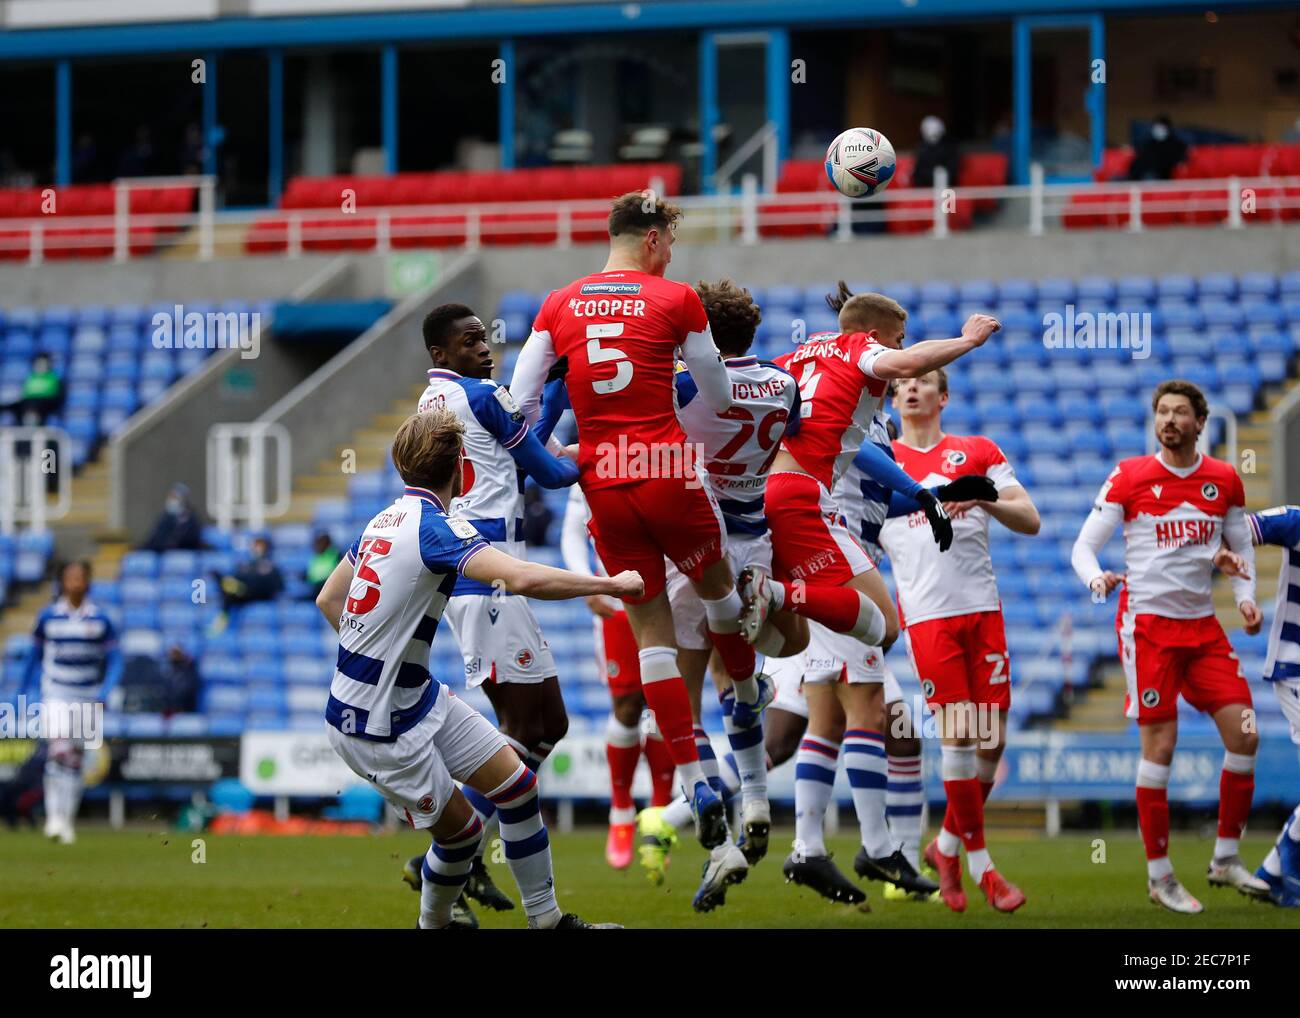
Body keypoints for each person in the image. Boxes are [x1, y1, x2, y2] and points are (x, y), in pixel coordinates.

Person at [510, 191, 766, 852]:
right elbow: (718, 393)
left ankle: (691, 777)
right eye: (670, 244)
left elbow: (521, 399)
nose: (672, 256)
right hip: (666, 470)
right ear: (652, 240)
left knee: (649, 628)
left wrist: (552, 453)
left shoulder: (558, 302)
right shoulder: (676, 298)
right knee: (719, 591)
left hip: (602, 482)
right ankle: (745, 687)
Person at [315, 409, 635, 929]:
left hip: (415, 700)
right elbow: (522, 579)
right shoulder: (436, 530)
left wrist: (381, 659)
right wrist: (611, 584)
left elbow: (330, 597)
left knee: (517, 786)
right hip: (376, 726)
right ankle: (433, 925)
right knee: (461, 836)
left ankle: (548, 922)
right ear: (463, 470)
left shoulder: (384, 518)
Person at [636, 278, 806, 910]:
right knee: (740, 685)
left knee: (682, 701)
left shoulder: (681, 387)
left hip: (695, 544)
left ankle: (712, 831)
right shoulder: (784, 385)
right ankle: (758, 804)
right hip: (754, 537)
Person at [1071, 379, 1267, 914]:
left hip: (1203, 630)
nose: (1170, 420)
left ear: (1200, 423)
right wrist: (1095, 581)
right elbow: (1084, 548)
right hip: (1148, 630)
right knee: (1159, 750)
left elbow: (1240, 549)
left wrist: (1246, 601)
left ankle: (1225, 858)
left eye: (1181, 412)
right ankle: (1159, 876)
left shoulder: (1223, 479)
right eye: (1162, 412)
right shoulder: (1130, 476)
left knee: (1246, 734)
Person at [414, 301, 582, 912]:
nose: (484, 348)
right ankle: (447, 862)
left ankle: (462, 849)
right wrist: (611, 454)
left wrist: (555, 398)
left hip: (481, 575)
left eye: (483, 338)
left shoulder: (431, 404)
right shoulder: (483, 395)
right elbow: (548, 472)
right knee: (516, 731)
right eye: (469, 340)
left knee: (550, 725)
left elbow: (518, 456)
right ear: (441, 352)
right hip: (489, 578)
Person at [879, 369, 1039, 914]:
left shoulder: (977, 450)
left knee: (991, 741)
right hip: (929, 618)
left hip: (983, 611)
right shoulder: (880, 460)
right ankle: (983, 868)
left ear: (943, 397)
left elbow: (1031, 519)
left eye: (925, 381)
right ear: (894, 396)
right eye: (905, 383)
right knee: (960, 737)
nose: (913, 387)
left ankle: (944, 846)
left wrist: (986, 499)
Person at [560, 483, 677, 870]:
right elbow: (572, 532)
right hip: (616, 600)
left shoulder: (664, 447)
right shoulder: (592, 456)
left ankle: (659, 815)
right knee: (628, 704)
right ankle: (621, 813)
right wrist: (585, 582)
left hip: (669, 593)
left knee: (665, 702)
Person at [1214, 506, 1300, 908]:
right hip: (1296, 666)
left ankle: (1273, 873)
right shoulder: (1296, 520)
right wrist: (1240, 587)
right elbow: (1241, 529)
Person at [20, 560, 122, 845]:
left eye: (80, 577)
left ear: (88, 581)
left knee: (75, 760)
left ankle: (66, 820)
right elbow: (33, 657)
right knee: (58, 751)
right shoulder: (48, 617)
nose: (76, 582)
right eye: (70, 577)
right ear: (62, 582)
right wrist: (25, 691)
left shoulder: (100, 619)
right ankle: (53, 816)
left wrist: (106, 690)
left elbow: (115, 659)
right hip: (56, 693)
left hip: (87, 696)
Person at [209, 536, 284, 634]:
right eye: (255, 546)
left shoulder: (271, 566)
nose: (256, 549)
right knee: (229, 594)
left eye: (259, 546)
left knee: (231, 589)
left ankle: (231, 587)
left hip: (260, 594)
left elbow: (279, 586)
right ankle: (228, 587)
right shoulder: (247, 564)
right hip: (243, 593)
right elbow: (238, 575)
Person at [3, 354, 64, 426]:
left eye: (43, 364)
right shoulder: (30, 378)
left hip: (45, 403)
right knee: (9, 406)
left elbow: (58, 397)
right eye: (39, 364)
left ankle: (33, 425)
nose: (40, 366)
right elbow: (24, 393)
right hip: (28, 402)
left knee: (35, 404)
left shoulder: (54, 378)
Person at [142, 483, 203, 553]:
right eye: (171, 497)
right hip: (161, 551)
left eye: (175, 498)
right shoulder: (165, 517)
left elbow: (192, 540)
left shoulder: (191, 519)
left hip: (182, 554)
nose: (172, 501)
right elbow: (155, 538)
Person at [1128, 115, 1188, 181]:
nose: (1158, 129)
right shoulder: (1148, 143)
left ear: (1168, 128)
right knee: (1118, 180)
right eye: (1156, 126)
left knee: (1149, 178)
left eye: (1161, 127)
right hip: (1138, 175)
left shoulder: (1175, 144)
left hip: (1159, 177)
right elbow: (1138, 161)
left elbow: (1179, 161)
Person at [913, 115, 960, 189]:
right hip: (924, 189)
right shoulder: (921, 150)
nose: (933, 138)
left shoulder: (949, 149)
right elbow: (918, 174)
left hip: (947, 189)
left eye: (935, 135)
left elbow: (953, 173)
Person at [304, 531, 341, 599]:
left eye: (321, 542)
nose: (317, 546)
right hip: (315, 590)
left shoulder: (337, 555)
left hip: (330, 590)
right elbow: (310, 576)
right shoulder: (315, 557)